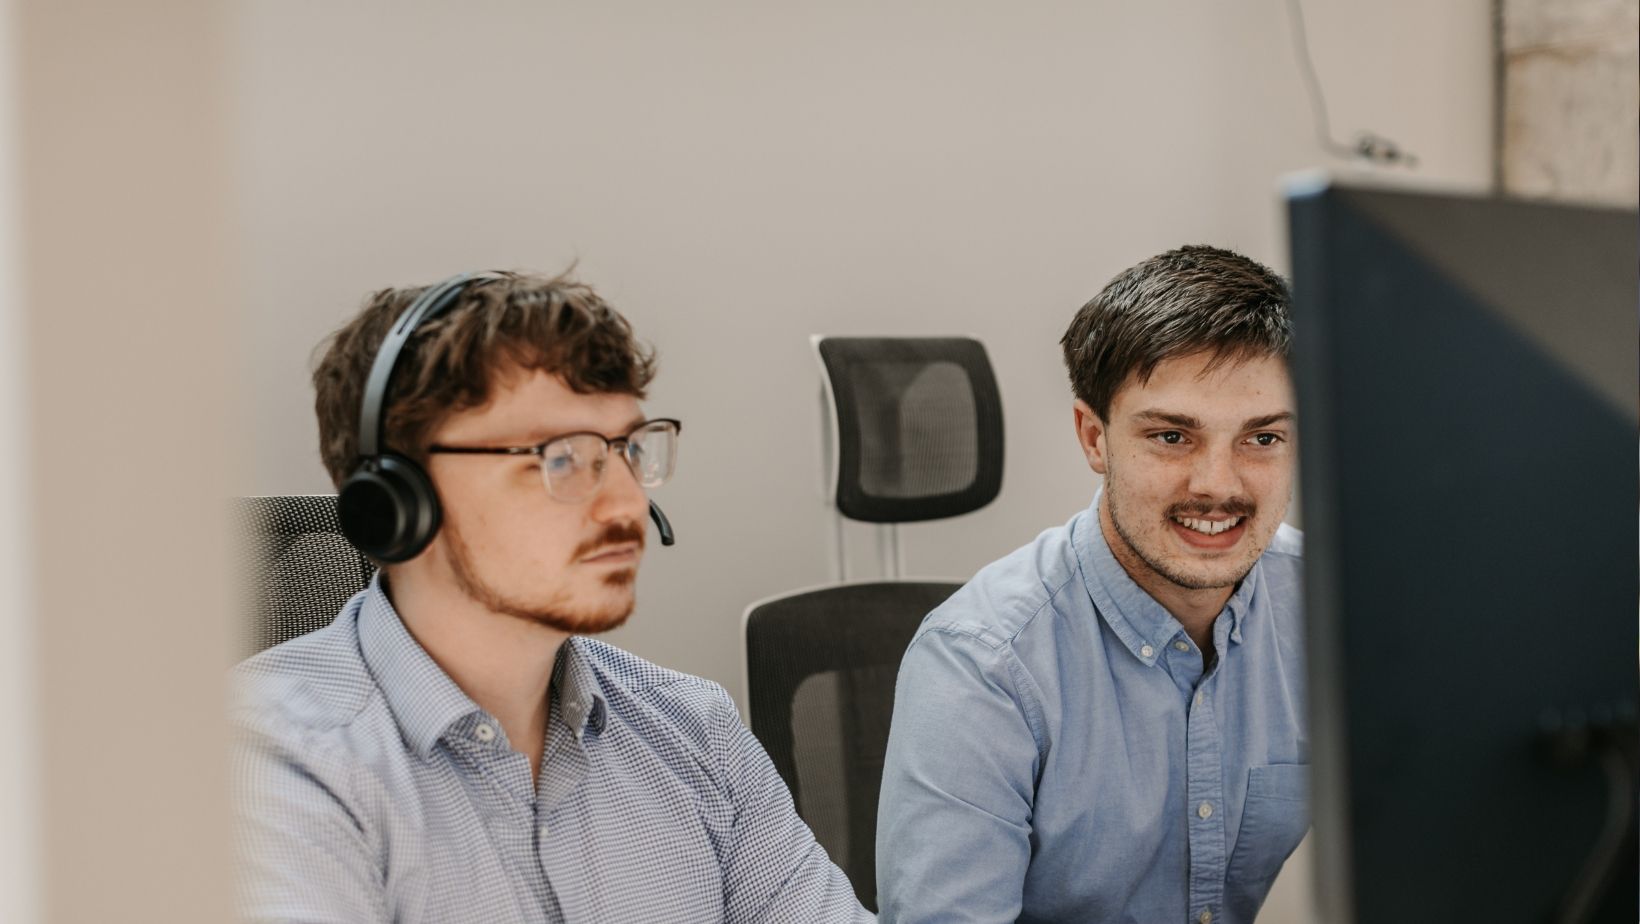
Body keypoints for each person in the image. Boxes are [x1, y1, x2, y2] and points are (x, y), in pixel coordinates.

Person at [232, 270, 870, 923]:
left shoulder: (694, 731)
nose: (627, 502)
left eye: (627, 449)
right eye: (561, 458)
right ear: (399, 503)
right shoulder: (266, 768)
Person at [876, 246, 1307, 924]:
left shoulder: (1330, 611)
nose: (1218, 486)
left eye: (1262, 440)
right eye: (1171, 436)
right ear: (1094, 438)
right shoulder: (981, 663)